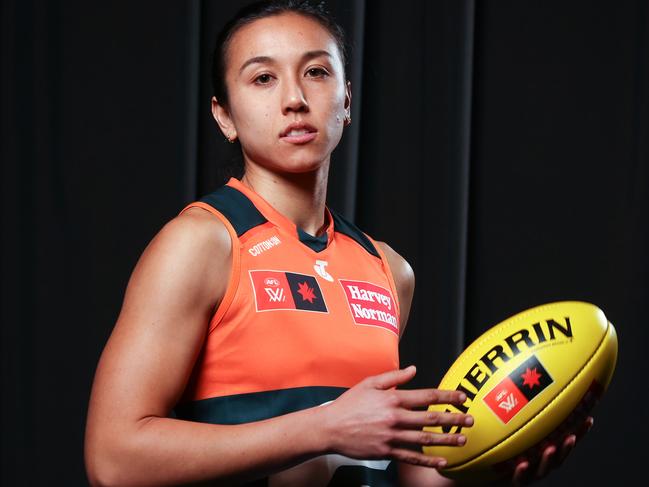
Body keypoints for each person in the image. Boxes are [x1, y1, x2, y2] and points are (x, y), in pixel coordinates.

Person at [84, 1, 591, 486]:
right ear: (225, 116)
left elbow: (380, 464)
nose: (294, 99)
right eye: (263, 78)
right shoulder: (203, 243)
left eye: (317, 72)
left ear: (347, 99)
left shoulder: (389, 269)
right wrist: (323, 427)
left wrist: (497, 458)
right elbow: (113, 458)